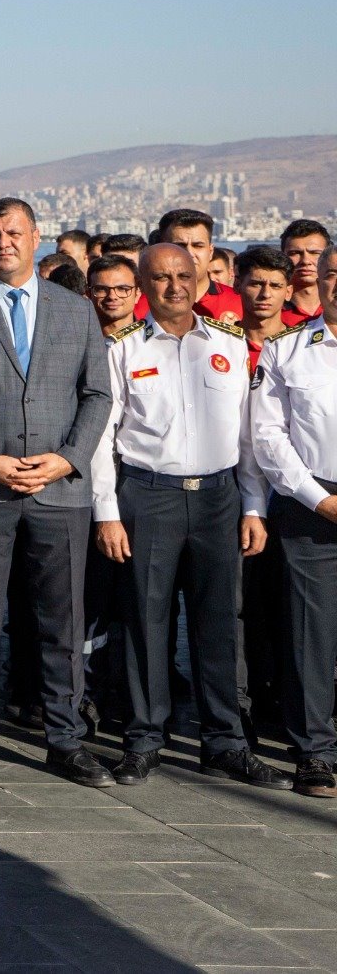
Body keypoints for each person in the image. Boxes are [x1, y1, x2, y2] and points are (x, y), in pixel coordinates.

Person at [0, 197, 115, 786]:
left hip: (59, 491)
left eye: (13, 232)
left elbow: (98, 394)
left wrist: (67, 459)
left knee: (62, 624)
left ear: (37, 237)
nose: (2, 242)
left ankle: (66, 740)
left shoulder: (75, 310)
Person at [90, 243, 276, 787]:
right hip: (149, 495)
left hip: (219, 497)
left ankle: (224, 741)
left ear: (199, 280)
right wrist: (107, 513)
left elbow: (248, 437)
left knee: (219, 622)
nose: (174, 287)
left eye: (183, 275)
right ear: (143, 285)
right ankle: (145, 738)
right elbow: (102, 439)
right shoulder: (122, 348)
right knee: (145, 621)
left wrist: (254, 505)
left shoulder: (229, 344)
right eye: (161, 277)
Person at [251, 285, 337, 798]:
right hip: (311, 503)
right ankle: (315, 751)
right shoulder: (286, 349)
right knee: (310, 633)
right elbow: (268, 435)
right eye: (333, 273)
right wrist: (317, 499)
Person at [284, 221, 331, 327]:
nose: (305, 261)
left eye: (315, 253)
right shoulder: (269, 311)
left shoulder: (333, 310)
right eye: (295, 253)